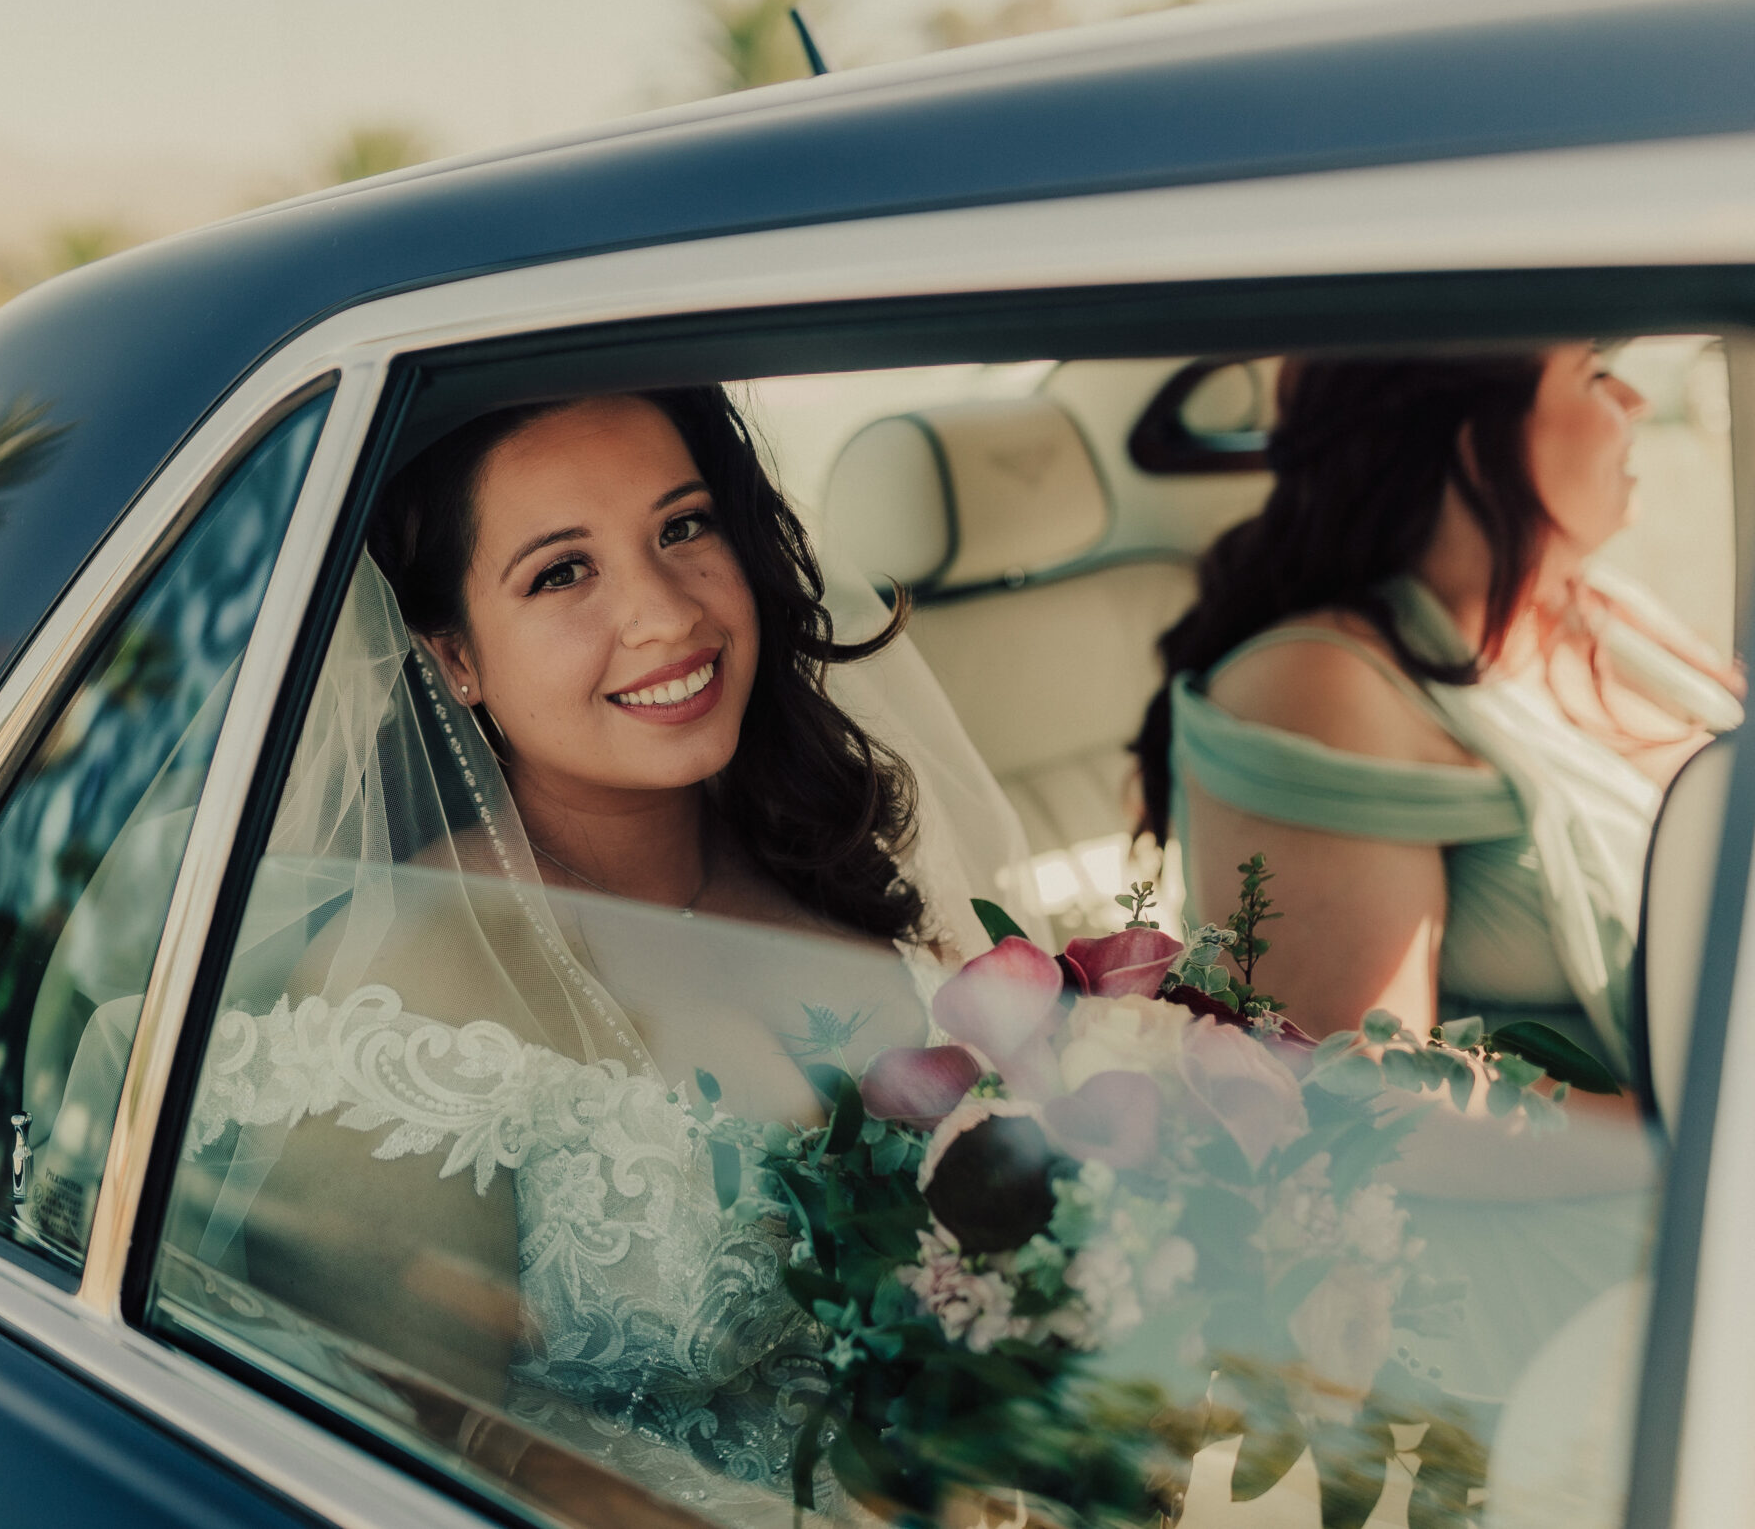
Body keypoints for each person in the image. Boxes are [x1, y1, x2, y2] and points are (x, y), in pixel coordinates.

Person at [163, 387, 1007, 1521]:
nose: (665, 614)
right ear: (454, 657)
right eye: (562, 572)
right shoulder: (414, 987)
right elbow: (394, 1460)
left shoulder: (831, 863)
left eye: (683, 528)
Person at [1130, 343, 1741, 1402]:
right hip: (1571, 1266)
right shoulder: (1318, 683)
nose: (1636, 396)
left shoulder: (1596, 613)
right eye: (1596, 373)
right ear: (1475, 437)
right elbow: (1369, 1100)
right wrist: (1704, 1148)